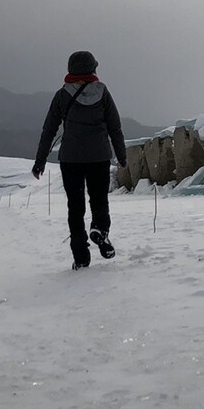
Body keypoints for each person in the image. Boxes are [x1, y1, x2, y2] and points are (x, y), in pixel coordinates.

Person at [32, 50, 128, 270]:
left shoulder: (62, 95)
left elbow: (49, 129)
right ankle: (100, 230)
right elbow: (115, 126)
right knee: (99, 200)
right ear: (93, 69)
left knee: (75, 207)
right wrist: (121, 156)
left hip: (71, 159)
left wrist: (40, 161)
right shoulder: (103, 92)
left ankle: (81, 257)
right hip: (99, 157)